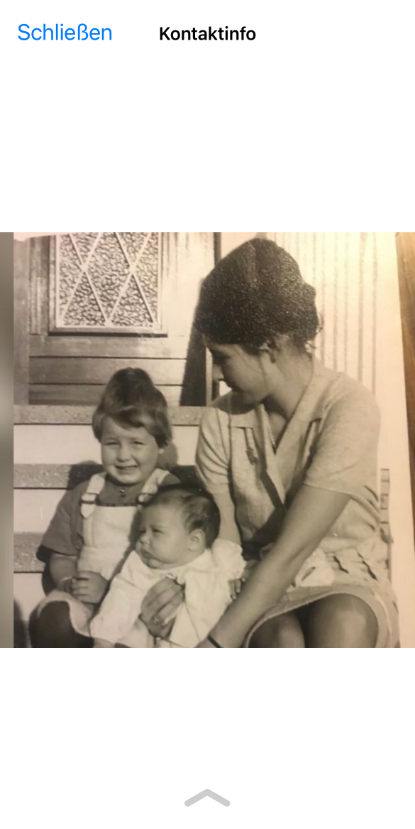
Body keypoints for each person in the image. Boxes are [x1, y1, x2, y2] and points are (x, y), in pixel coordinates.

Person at [145, 238, 399, 648]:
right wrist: (191, 585)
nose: (217, 374)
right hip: (255, 583)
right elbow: (227, 543)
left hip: (347, 580)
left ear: (269, 347)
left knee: (342, 621)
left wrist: (214, 646)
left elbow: (293, 551)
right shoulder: (220, 420)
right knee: (281, 639)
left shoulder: (348, 406)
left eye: (222, 357)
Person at [29, 368, 179, 647]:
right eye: (112, 444)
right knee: (55, 617)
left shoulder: (168, 492)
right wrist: (69, 583)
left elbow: (180, 559)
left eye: (136, 443)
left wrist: (111, 592)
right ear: (100, 440)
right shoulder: (84, 494)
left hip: (139, 605)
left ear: (160, 444)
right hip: (86, 604)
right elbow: (61, 556)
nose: (123, 456)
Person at [92, 484, 246, 647]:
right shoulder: (141, 567)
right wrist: (103, 640)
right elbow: (121, 599)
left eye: (156, 531)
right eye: (142, 531)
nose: (143, 539)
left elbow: (253, 579)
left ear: (194, 540)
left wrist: (241, 581)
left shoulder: (222, 557)